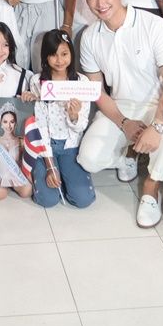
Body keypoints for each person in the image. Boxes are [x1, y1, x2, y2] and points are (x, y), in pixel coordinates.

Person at [75, 0, 163, 227]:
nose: (100, 3)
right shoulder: (89, 36)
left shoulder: (153, 25)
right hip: (120, 107)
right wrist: (124, 123)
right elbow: (98, 91)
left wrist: (157, 126)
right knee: (88, 159)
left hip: (160, 104)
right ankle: (128, 156)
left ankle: (151, 187)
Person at [20, 29, 95, 208]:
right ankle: (50, 169)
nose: (59, 60)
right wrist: (49, 165)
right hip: (45, 146)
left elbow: (81, 126)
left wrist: (74, 116)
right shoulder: (37, 81)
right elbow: (40, 126)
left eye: (64, 54)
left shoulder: (82, 82)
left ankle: (67, 174)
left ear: (71, 54)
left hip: (71, 146)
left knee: (83, 199)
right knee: (48, 200)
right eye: (53, 55)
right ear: (45, 57)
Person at [0, 101, 34, 201]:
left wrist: (30, 180)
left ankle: (12, 186)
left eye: (12, 122)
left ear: (15, 123)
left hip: (16, 176)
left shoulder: (21, 141)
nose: (8, 125)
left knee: (27, 191)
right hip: (0, 176)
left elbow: (24, 165)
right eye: (5, 122)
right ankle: (3, 187)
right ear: (1, 123)